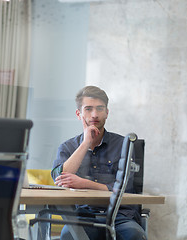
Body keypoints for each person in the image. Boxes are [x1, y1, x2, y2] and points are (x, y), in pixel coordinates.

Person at [51, 86, 147, 240]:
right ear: (79, 114)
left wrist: (84, 183)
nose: (95, 114)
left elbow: (126, 188)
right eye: (88, 109)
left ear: (107, 112)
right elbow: (60, 179)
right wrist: (86, 143)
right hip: (83, 216)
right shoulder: (67, 147)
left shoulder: (124, 145)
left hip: (120, 215)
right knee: (69, 235)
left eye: (100, 109)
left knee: (135, 235)